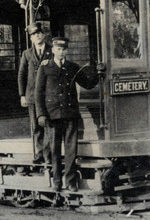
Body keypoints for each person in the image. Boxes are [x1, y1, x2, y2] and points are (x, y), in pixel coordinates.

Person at [35, 37, 98, 192]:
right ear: (52, 50)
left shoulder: (73, 67)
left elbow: (88, 84)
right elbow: (38, 93)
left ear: (67, 51)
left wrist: (98, 71)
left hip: (70, 115)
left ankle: (70, 182)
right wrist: (41, 115)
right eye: (58, 49)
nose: (61, 52)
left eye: (64, 49)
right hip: (52, 116)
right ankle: (57, 182)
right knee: (55, 150)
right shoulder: (45, 68)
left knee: (71, 151)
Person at [18, 22, 52, 164]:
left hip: (48, 95)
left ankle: (48, 155)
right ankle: (39, 154)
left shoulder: (52, 51)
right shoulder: (27, 54)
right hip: (32, 96)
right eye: (33, 34)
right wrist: (22, 95)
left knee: (49, 126)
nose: (37, 36)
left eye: (39, 33)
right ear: (31, 38)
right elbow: (21, 74)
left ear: (43, 35)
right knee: (36, 126)